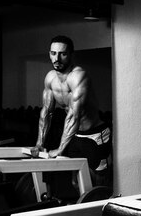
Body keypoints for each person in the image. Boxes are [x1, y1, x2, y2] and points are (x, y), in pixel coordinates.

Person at [31, 35, 112, 190]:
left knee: (98, 184)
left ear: (71, 55)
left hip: (95, 135)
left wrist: (60, 149)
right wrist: (39, 144)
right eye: (53, 53)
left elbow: (74, 115)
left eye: (63, 54)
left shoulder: (79, 76)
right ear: (49, 54)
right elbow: (46, 113)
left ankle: (102, 211)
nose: (57, 58)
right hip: (76, 136)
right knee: (77, 182)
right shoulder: (50, 78)